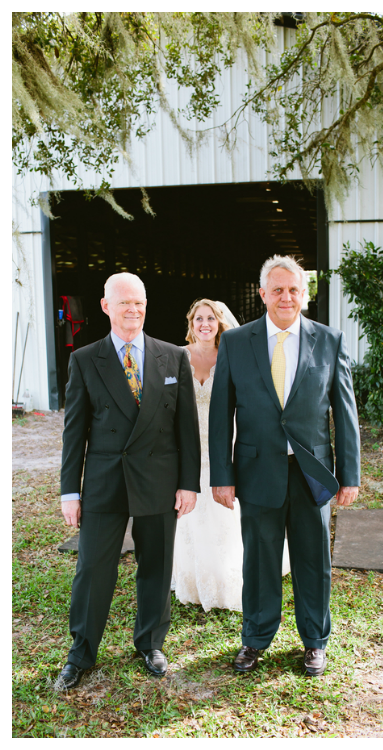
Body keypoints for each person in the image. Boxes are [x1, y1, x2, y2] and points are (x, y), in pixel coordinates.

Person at [208, 255, 361, 678]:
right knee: (259, 560)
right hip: (256, 472)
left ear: (305, 295)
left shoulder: (329, 340)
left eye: (294, 289)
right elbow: (220, 414)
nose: (286, 297)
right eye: (277, 290)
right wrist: (221, 476)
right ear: (262, 294)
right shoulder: (237, 342)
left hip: (313, 473)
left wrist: (349, 475)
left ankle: (315, 642)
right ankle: (255, 640)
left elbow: (344, 413)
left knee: (314, 561)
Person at [56, 272, 201, 690]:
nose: (133, 310)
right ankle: (80, 653)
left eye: (138, 302)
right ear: (106, 307)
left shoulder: (172, 357)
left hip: (159, 478)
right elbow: (74, 433)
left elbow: (186, 430)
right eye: (124, 303)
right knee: (93, 570)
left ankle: (151, 643)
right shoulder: (86, 359)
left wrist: (187, 483)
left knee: (155, 566)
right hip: (105, 481)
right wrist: (71, 490)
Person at [171, 298, 290, 611]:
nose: (205, 324)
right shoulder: (177, 357)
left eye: (211, 318)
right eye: (199, 318)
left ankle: (228, 577)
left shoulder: (231, 355)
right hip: (189, 445)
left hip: (224, 441)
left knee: (225, 513)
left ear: (219, 323)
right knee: (192, 514)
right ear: (191, 323)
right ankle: (196, 577)